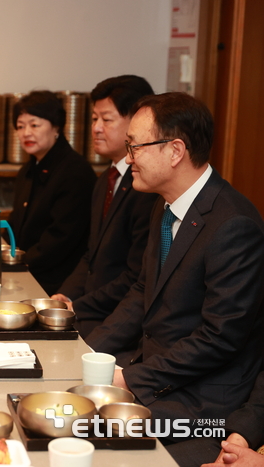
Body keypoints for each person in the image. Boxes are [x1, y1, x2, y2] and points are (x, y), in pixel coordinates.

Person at [85, 93, 264, 446]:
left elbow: (219, 338)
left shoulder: (233, 225)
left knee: (87, 437)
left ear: (175, 151)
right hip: (156, 371)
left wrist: (133, 379)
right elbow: (142, 290)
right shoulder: (166, 205)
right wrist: (91, 351)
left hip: (202, 401)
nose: (128, 158)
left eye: (135, 147)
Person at [51, 76, 158, 340]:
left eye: (106, 119)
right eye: (94, 119)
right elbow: (92, 255)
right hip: (90, 309)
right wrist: (65, 295)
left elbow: (136, 276)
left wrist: (77, 306)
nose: (96, 128)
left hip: (118, 322)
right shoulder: (105, 180)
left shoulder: (146, 188)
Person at [7, 90, 96, 295]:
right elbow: (15, 224)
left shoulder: (74, 171)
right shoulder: (27, 170)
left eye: (34, 125)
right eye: (20, 127)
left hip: (56, 284)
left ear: (56, 127)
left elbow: (60, 239)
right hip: (23, 274)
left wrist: (17, 263)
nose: (26, 133)